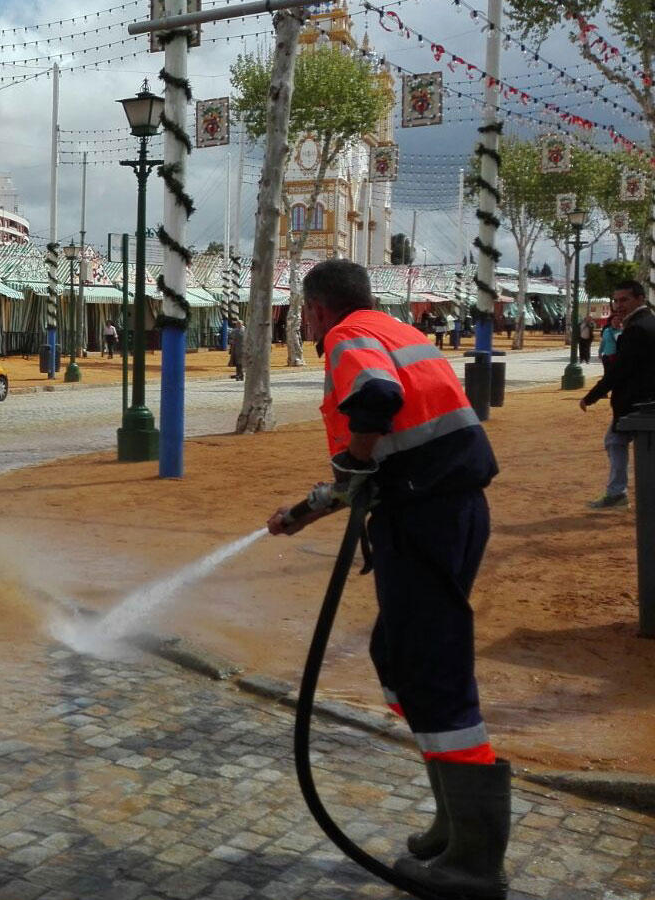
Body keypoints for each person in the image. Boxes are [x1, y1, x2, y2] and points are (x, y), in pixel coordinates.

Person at [266, 259, 507, 900]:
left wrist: (358, 453)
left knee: (432, 672)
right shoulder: (395, 331)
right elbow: (365, 469)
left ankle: (473, 864)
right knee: (398, 659)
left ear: (317, 309)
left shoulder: (348, 340)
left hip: (425, 517)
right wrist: (300, 514)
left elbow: (375, 403)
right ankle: (452, 823)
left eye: (303, 312)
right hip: (443, 510)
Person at [581, 282, 654, 508]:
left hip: (637, 404)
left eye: (624, 300)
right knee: (615, 440)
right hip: (645, 401)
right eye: (616, 300)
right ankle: (616, 492)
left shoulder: (636, 329)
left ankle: (617, 493)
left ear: (640, 299)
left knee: (616, 440)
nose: (618, 305)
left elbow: (619, 372)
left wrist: (591, 396)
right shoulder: (649, 323)